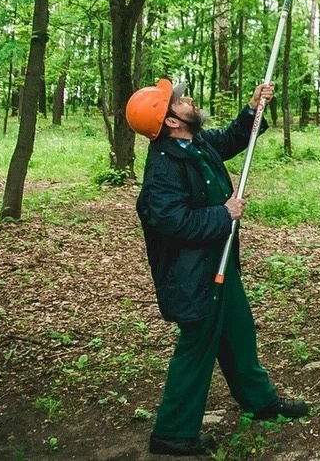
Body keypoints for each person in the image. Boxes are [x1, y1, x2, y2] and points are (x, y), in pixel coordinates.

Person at [125, 78, 308, 457]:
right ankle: (172, 432)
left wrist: (252, 108)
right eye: (179, 100)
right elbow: (168, 220)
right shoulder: (163, 168)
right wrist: (222, 214)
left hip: (219, 264)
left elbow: (227, 141)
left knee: (238, 333)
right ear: (171, 121)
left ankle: (261, 402)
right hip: (193, 275)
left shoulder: (193, 142)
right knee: (197, 347)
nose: (187, 100)